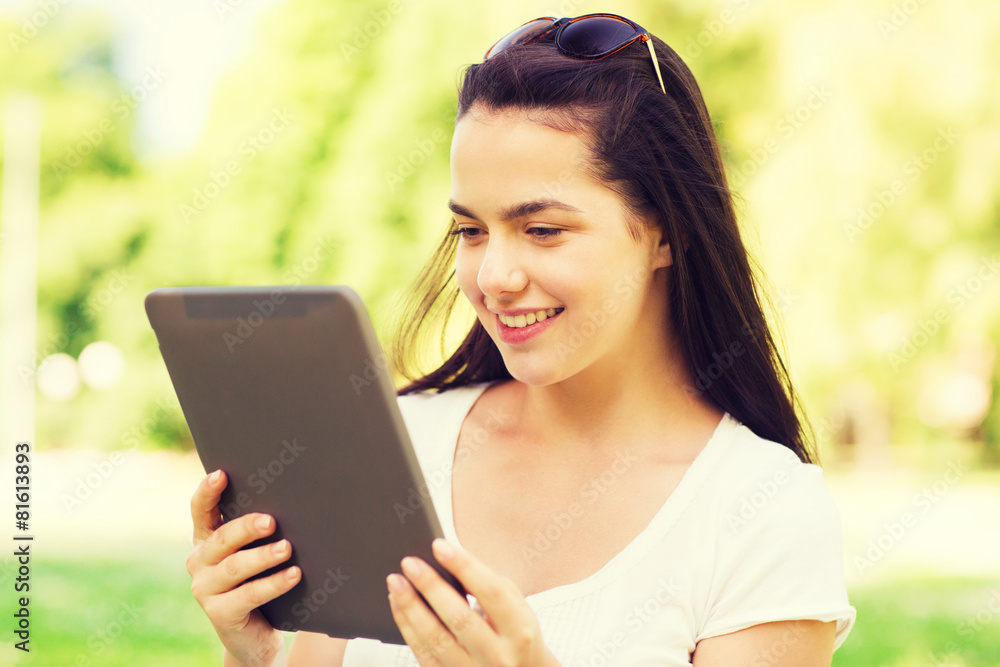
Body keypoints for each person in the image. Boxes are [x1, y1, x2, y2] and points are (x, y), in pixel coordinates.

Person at [185, 13, 856, 666]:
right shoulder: (393, 448)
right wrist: (252, 657)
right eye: (471, 231)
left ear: (664, 231)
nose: (496, 276)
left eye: (542, 230)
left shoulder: (760, 512)